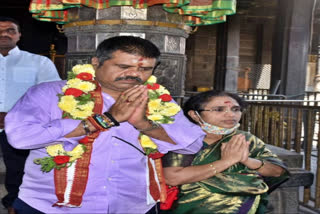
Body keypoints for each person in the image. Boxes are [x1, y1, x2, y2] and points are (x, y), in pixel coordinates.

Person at [4, 36, 205, 214]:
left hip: (131, 205)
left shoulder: (158, 101)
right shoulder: (49, 93)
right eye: (124, 67)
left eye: (144, 69)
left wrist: (144, 124)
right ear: (96, 62)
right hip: (51, 206)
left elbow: (190, 145)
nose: (134, 74)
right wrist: (103, 120)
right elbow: (19, 138)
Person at [162, 90, 290, 214]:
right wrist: (226, 162)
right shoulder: (183, 139)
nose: (231, 115)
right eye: (219, 109)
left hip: (246, 208)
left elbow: (278, 172)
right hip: (191, 207)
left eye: (235, 109)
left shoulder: (245, 139)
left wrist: (247, 161)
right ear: (194, 115)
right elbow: (172, 178)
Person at [0, 16, 60, 214]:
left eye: (10, 30)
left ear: (19, 35)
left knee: (19, 168)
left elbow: (53, 95)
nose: (4, 34)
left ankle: (14, 204)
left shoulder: (39, 62)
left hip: (21, 127)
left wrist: (12, 116)